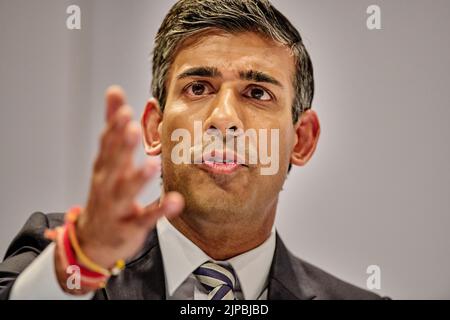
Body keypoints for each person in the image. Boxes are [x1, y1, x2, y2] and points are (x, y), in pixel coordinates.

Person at [0, 0, 383, 300]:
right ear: (155, 128)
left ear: (301, 140)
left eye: (257, 93)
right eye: (198, 87)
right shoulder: (58, 253)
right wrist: (79, 265)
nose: (224, 118)